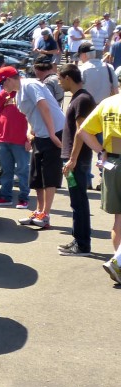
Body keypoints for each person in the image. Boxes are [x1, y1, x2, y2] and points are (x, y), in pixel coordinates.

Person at [0, 65, 66, 230]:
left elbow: (44, 107)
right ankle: (38, 211)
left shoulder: (29, 84)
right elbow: (29, 115)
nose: (2, 87)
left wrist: (52, 134)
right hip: (40, 136)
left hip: (54, 132)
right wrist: (30, 131)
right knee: (36, 177)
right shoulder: (18, 93)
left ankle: (45, 214)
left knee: (49, 175)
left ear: (10, 79)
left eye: (2, 83)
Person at [77, 91, 121, 281]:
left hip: (113, 162)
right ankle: (118, 263)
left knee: (119, 218)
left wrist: (101, 151)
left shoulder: (108, 102)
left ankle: (118, 263)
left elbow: (84, 131)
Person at [59, 64, 96, 256]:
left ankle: (83, 245)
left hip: (77, 159)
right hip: (73, 158)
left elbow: (81, 132)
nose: (59, 82)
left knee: (79, 201)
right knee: (76, 201)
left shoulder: (82, 99)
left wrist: (72, 159)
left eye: (60, 79)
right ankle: (78, 239)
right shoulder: (78, 98)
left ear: (68, 78)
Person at [0, 75, 30, 209]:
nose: (2, 86)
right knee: (7, 170)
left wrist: (30, 138)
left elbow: (33, 117)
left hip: (21, 139)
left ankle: (24, 198)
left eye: (3, 83)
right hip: (4, 138)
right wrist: (4, 94)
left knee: (22, 170)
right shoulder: (3, 95)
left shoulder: (24, 93)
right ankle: (6, 196)